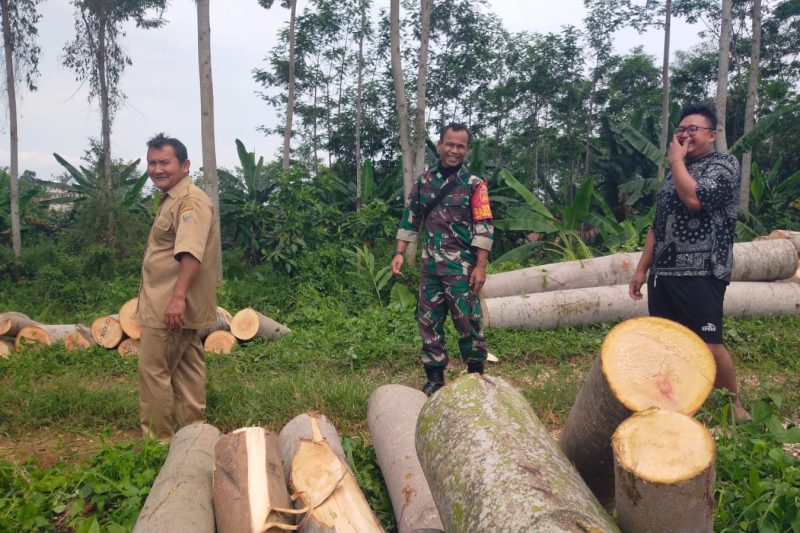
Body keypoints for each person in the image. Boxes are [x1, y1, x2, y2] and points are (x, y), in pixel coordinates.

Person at [629, 104, 750, 420]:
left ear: (711, 135)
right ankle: (678, 405)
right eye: (681, 129)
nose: (684, 134)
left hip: (702, 270)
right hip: (664, 273)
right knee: (667, 344)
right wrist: (642, 269)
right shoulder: (674, 174)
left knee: (708, 343)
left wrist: (675, 161)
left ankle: (734, 407)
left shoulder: (723, 164)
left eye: (692, 129)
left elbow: (696, 199)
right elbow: (658, 224)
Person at [391, 123, 494, 396]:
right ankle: (435, 378)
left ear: (467, 150)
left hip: (461, 268)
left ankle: (475, 376)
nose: (454, 150)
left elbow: (484, 227)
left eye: (460, 146)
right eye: (450, 144)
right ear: (440, 145)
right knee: (428, 321)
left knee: (468, 321)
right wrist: (399, 253)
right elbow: (410, 218)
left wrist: (480, 267)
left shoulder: (474, 185)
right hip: (430, 268)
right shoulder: (424, 182)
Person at [135, 134, 220, 440]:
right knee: (186, 370)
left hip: (169, 305)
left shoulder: (189, 201)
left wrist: (177, 299)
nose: (157, 169)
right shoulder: (173, 198)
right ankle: (194, 439)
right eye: (152, 162)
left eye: (164, 162)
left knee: (154, 373)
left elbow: (190, 252)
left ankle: (158, 443)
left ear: (184, 165)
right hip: (171, 302)